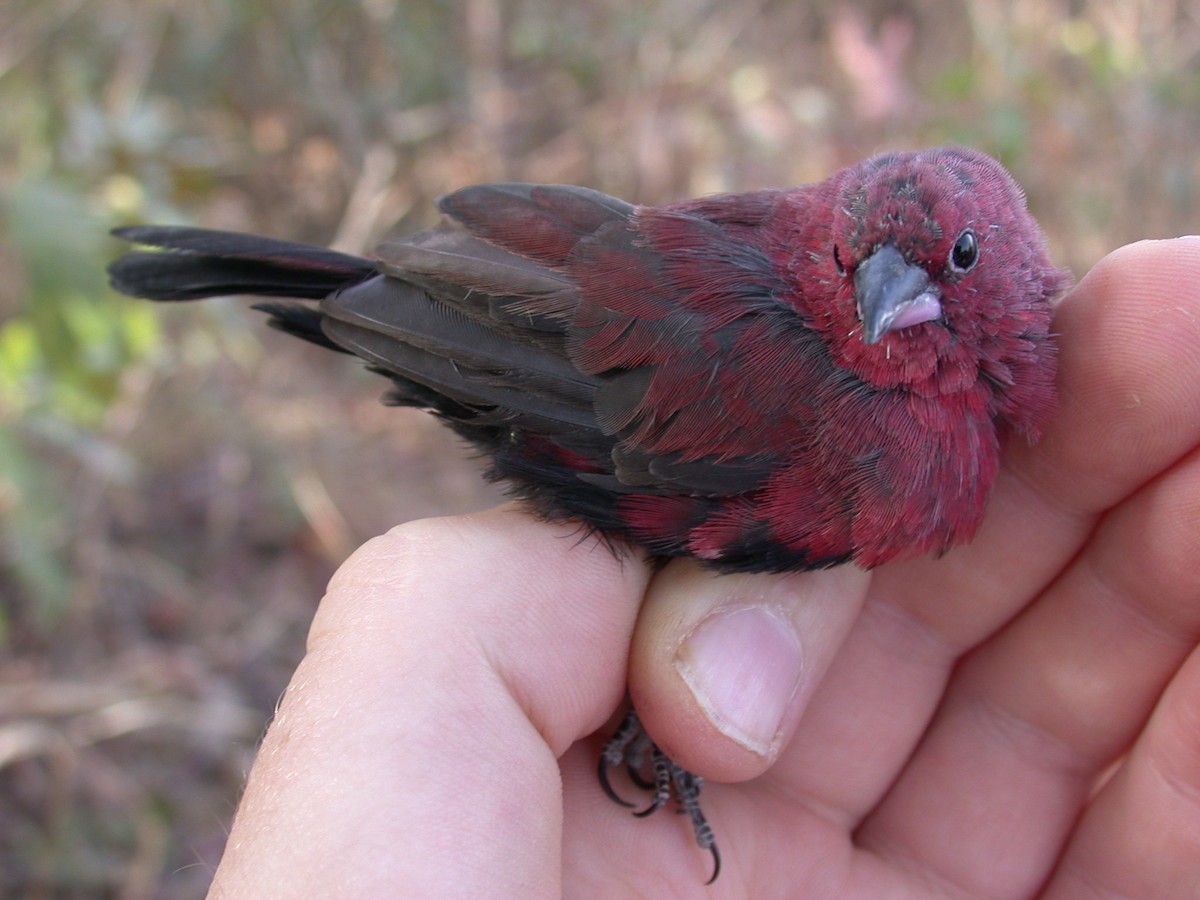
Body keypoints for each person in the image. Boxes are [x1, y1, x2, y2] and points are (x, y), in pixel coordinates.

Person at [206, 239, 1200, 897]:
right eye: (869, 260)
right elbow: (578, 363)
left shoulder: (1019, 390)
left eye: (950, 259)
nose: (888, 291)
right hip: (567, 400)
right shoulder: (813, 388)